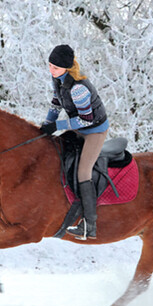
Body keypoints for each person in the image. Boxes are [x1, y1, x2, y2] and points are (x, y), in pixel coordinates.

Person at [45, 44, 108, 240]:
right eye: (50, 66)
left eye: (55, 67)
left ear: (66, 67)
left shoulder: (78, 88)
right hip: (78, 128)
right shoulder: (57, 80)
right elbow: (56, 105)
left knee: (83, 172)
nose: (51, 70)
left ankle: (89, 224)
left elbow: (87, 120)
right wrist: (46, 125)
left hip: (94, 131)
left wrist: (58, 125)